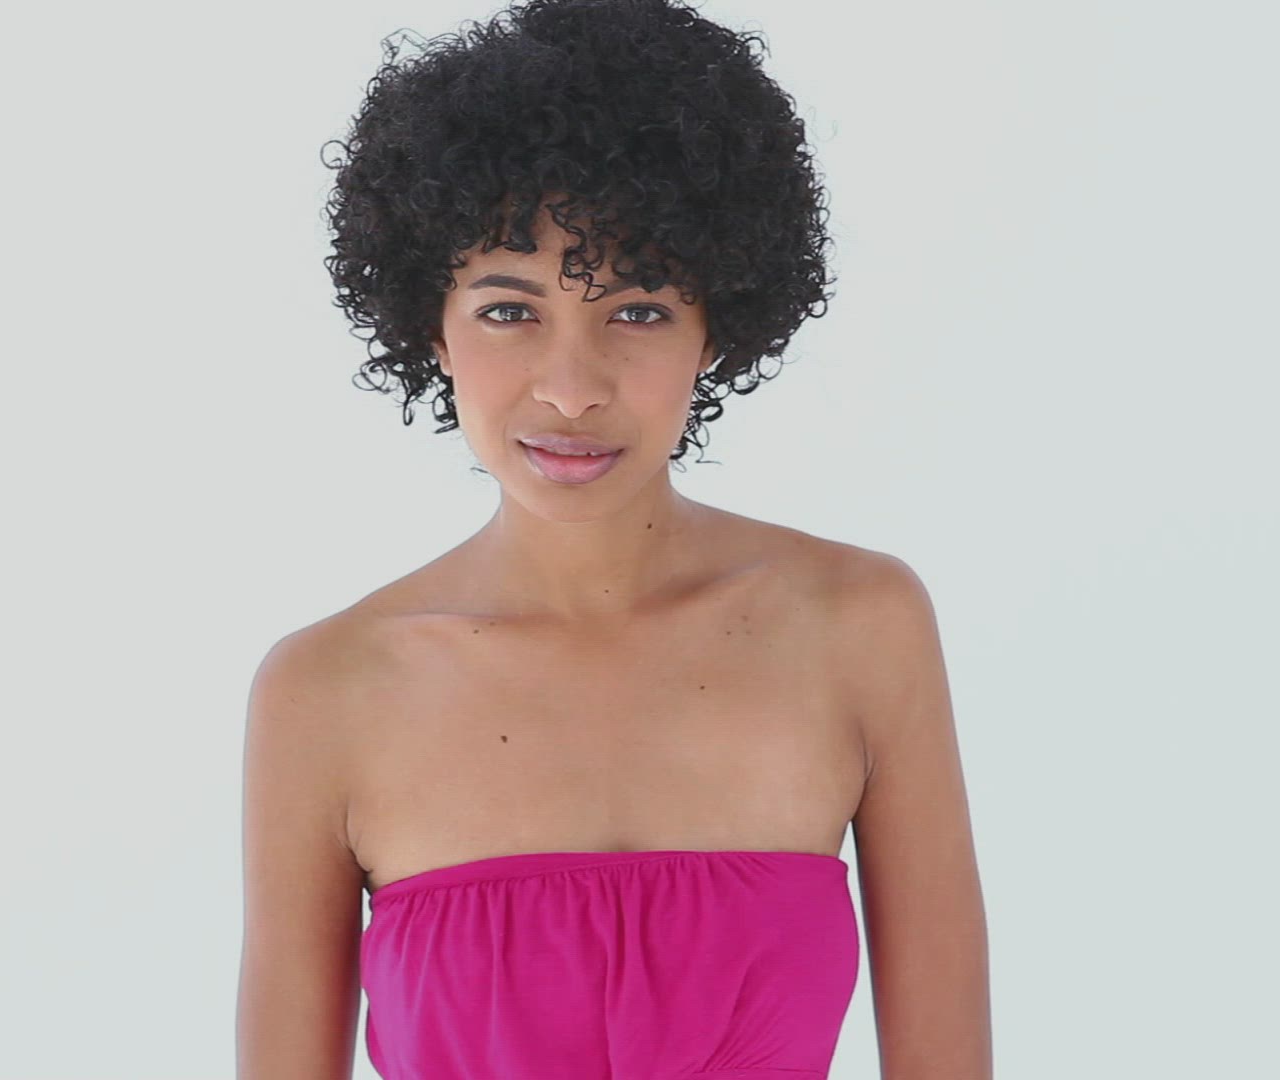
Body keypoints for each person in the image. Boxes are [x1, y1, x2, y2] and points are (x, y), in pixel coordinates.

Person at [236, 1, 991, 1076]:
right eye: (509, 311)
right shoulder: (324, 692)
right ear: (429, 325)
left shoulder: (859, 628)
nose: (571, 387)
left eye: (638, 311)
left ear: (717, 326)